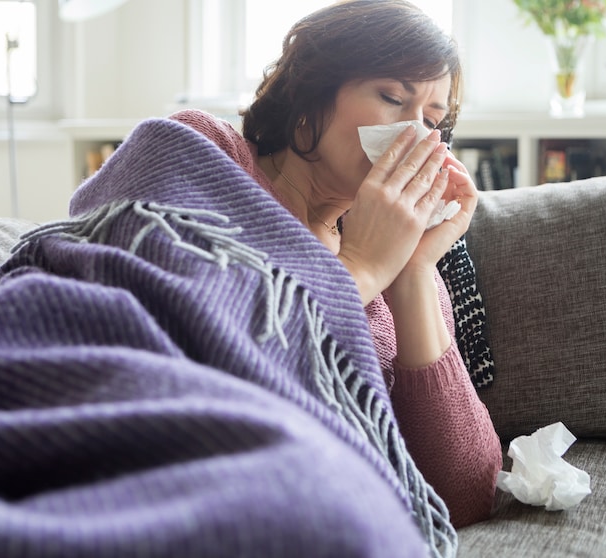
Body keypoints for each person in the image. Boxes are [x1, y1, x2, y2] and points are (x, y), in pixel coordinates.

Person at [170, 0, 501, 528]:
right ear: (311, 94)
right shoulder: (209, 151)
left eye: (432, 121)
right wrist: (361, 268)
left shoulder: (406, 268)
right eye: (392, 97)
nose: (415, 135)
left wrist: (411, 274)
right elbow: (195, 359)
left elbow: (465, 496)